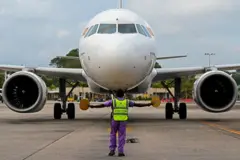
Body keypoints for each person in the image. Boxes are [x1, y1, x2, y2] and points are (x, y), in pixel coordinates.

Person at [89, 89, 153, 157]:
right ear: (123, 95)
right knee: (122, 136)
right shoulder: (127, 101)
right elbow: (138, 105)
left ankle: (112, 150)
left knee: (113, 135)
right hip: (123, 121)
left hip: (115, 120)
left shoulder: (113, 101)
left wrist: (92, 106)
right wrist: (149, 104)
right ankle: (121, 152)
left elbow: (102, 105)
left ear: (116, 95)